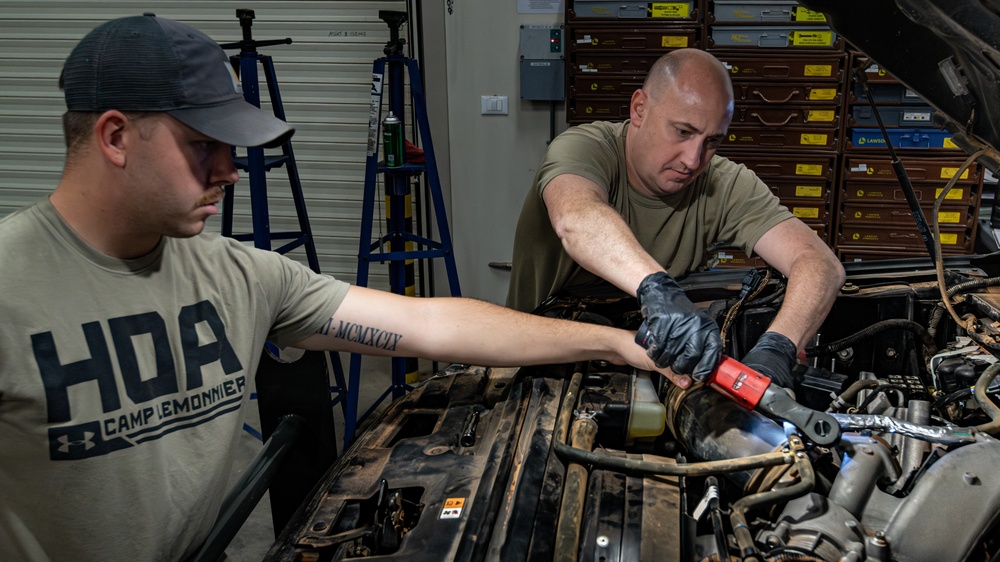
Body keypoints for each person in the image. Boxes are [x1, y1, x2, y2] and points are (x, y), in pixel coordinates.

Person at [0, 15, 690, 562]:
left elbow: (430, 326)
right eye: (202, 144)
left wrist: (616, 343)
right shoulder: (11, 285)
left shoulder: (238, 275)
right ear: (116, 136)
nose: (230, 169)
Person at [507, 48, 846, 388]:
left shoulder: (723, 183)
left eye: (711, 141)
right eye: (683, 131)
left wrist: (779, 347)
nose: (693, 159)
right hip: (539, 362)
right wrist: (658, 289)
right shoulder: (585, 148)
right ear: (639, 108)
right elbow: (577, 217)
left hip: (655, 369)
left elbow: (819, 263)